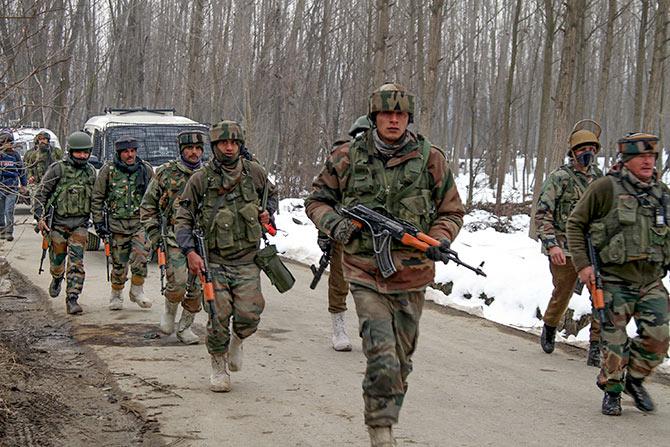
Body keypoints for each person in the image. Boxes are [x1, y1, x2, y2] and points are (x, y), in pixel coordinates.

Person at [305, 83, 464, 446]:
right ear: (375, 117)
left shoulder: (431, 158)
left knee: (401, 363)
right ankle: (381, 431)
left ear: (408, 119)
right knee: (381, 356)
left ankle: (386, 411)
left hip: (413, 275)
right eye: (386, 114)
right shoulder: (348, 156)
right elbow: (317, 201)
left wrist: (440, 238)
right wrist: (338, 226)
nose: (393, 120)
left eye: (400, 115)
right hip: (364, 272)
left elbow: (452, 210)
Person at [567, 132, 670, 416]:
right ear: (627, 159)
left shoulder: (661, 193)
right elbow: (576, 224)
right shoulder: (605, 188)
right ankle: (612, 389)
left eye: (652, 156)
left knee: (659, 337)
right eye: (642, 157)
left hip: (650, 280)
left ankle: (634, 380)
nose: (648, 161)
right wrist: (583, 265)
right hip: (613, 279)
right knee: (614, 341)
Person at [174, 120, 277, 393]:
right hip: (214, 260)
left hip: (247, 259)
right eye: (223, 143)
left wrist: (268, 213)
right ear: (215, 146)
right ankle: (218, 365)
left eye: (233, 142)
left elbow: (271, 195)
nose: (229, 147)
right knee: (218, 317)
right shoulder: (200, 179)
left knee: (249, 315)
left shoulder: (255, 173)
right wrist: (190, 251)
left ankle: (238, 341)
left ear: (240, 145)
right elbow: (182, 218)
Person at [535, 120, 603, 366]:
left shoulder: (600, 180)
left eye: (592, 149)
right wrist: (552, 244)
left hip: (592, 248)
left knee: (599, 294)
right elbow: (543, 214)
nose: (588, 154)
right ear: (573, 152)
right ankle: (551, 325)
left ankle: (596, 345)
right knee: (562, 292)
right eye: (583, 149)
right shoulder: (560, 179)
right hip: (564, 247)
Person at [140, 130, 206, 345]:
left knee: (196, 286)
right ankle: (169, 313)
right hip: (173, 237)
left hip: (201, 239)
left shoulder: (209, 174)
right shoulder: (167, 172)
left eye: (198, 149)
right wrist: (153, 233)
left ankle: (186, 326)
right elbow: (148, 205)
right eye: (189, 149)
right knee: (178, 282)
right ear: (181, 150)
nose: (194, 153)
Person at [318, 114, 373, 352]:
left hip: (373, 236)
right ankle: (338, 328)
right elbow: (322, 200)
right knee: (339, 281)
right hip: (344, 230)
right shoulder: (342, 161)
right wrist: (326, 230)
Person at [32, 131, 96, 315]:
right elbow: (41, 193)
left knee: (77, 263)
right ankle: (57, 277)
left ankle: (72, 298)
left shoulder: (91, 171)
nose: (83, 156)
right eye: (79, 152)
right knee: (57, 261)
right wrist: (40, 217)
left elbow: (97, 197)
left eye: (86, 153)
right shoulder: (57, 169)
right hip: (58, 225)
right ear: (71, 151)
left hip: (80, 225)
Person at [91, 136, 154, 310]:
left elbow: (155, 196)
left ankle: (137, 290)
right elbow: (97, 197)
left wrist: (155, 220)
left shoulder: (145, 169)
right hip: (116, 225)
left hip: (139, 223)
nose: (130, 155)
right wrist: (98, 222)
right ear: (119, 153)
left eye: (133, 151)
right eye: (126, 151)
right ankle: (116, 294)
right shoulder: (108, 170)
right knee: (119, 264)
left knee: (141, 257)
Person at [0, 131, 27, 241]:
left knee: (8, 210)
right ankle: (2, 229)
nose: (9, 145)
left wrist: (24, 184)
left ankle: (9, 231)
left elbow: (21, 170)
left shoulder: (15, 155)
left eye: (10, 143)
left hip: (12, 187)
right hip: (1, 186)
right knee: (1, 210)